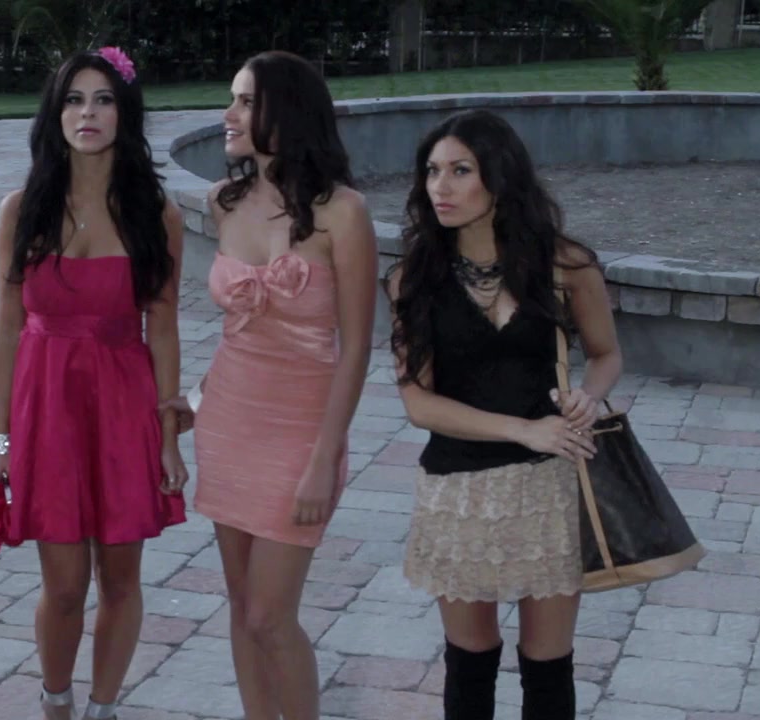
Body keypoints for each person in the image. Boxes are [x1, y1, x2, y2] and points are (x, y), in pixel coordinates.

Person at [386, 109, 623, 720]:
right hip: (458, 490)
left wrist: (589, 396)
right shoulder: (414, 277)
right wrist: (523, 430)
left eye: (460, 170)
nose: (440, 187)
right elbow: (417, 402)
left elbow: (606, 355)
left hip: (549, 488)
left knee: (548, 667)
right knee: (469, 662)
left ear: (500, 175)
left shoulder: (565, 265)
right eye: (432, 171)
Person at [165, 50, 377, 720]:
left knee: (269, 615)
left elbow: (356, 349)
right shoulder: (223, 202)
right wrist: (195, 402)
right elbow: (240, 336)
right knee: (240, 606)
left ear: (288, 113)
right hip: (228, 425)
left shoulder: (344, 213)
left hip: (301, 437)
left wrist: (324, 459)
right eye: (232, 99)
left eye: (246, 101)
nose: (228, 114)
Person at [0, 46, 188, 720]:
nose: (87, 113)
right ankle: (56, 702)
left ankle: (103, 707)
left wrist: (167, 436)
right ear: (55, 114)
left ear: (124, 114)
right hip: (47, 412)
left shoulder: (156, 213)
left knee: (120, 578)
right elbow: (7, 331)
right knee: (65, 584)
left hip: (125, 406)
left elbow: (163, 329)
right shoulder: (22, 210)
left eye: (103, 100)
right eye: (74, 100)